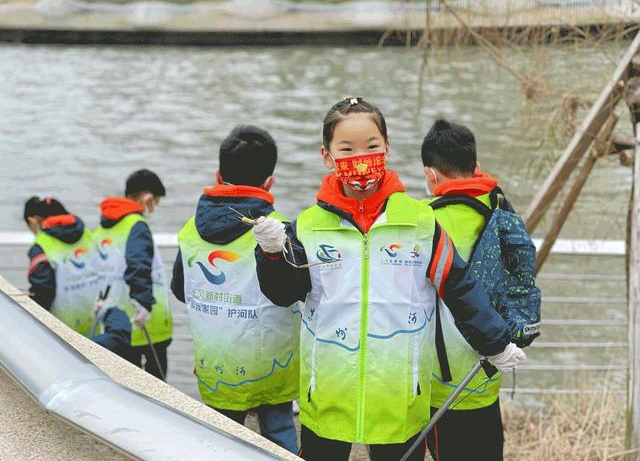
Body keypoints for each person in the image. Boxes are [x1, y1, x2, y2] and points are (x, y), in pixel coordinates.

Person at [252, 97, 526, 461]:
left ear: (388, 148)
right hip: (327, 395)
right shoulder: (308, 226)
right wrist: (272, 254)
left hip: (400, 397)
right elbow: (284, 293)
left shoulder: (420, 222)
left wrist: (494, 341)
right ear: (327, 156)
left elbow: (458, 285)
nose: (361, 158)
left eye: (372, 147)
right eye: (347, 149)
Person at [171, 125, 299, 454]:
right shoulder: (280, 229)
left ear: (218, 174)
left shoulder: (189, 232)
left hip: (217, 365)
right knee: (279, 434)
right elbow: (293, 290)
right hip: (273, 365)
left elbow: (180, 289)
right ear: (269, 182)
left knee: (218, 443)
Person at [422, 119, 525, 461]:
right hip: (489, 372)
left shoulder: (423, 223)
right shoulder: (502, 213)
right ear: (476, 168)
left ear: (430, 175)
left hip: (441, 384)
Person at [93, 169, 173, 380]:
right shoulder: (136, 225)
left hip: (115, 322)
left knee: (125, 384)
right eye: (154, 202)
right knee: (159, 389)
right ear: (147, 198)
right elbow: (139, 265)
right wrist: (143, 303)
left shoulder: (103, 228)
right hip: (145, 321)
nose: (153, 209)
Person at [24, 196, 99, 335]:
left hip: (61, 332)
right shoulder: (87, 234)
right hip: (94, 324)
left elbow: (43, 292)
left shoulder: (41, 246)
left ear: (34, 220)